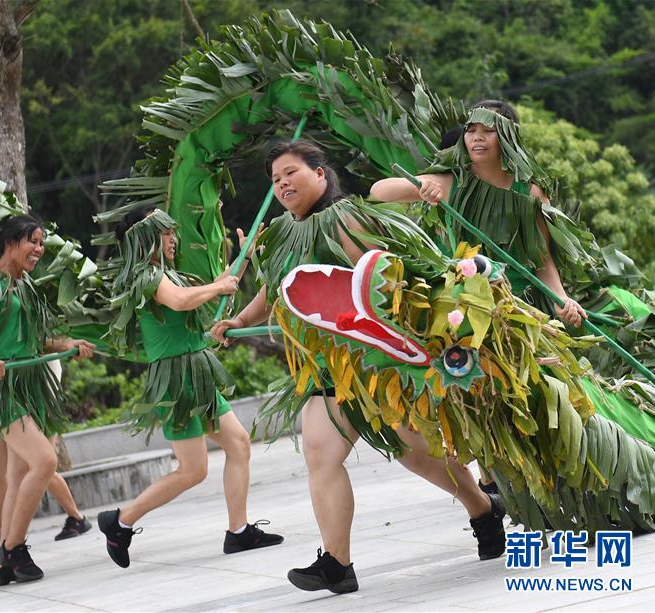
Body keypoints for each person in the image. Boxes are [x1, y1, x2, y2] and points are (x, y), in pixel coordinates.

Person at [211, 141, 505, 594]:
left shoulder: (346, 218)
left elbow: (382, 277)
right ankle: (337, 563)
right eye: (275, 179)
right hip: (324, 370)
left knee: (417, 455)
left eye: (291, 172)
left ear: (321, 174)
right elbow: (274, 290)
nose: (283, 183)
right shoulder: (281, 234)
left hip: (374, 362)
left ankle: (482, 510)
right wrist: (241, 319)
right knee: (320, 454)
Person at [96, 208, 283, 569]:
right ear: (144, 237)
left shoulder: (168, 274)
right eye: (166, 233)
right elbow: (182, 301)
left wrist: (241, 259)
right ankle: (119, 521)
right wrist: (218, 285)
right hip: (174, 379)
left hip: (195, 372)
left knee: (239, 443)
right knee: (193, 470)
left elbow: (208, 291)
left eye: (172, 233)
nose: (173, 239)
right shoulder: (145, 276)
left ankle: (238, 530)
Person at [0, 215, 95, 585]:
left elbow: (35, 342)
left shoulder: (25, 285)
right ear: (10, 242)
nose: (39, 250)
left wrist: (68, 346)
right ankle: (14, 547)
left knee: (18, 475)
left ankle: (1, 566)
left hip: (31, 386)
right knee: (45, 460)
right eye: (33, 242)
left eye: (42, 243)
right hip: (1, 388)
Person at [370, 99, 587, 327]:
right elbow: (379, 191)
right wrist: (423, 188)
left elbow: (541, 257)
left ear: (509, 136)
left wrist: (560, 299)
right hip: (463, 301)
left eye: (488, 130)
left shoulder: (531, 191)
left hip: (519, 307)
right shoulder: (452, 182)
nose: (477, 137)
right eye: (471, 130)